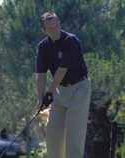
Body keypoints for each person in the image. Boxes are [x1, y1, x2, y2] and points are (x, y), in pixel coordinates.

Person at [36, 11, 91, 158]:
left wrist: (49, 93)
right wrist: (40, 98)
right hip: (59, 91)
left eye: (56, 26)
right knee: (53, 134)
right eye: (50, 28)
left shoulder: (71, 41)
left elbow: (62, 70)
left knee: (73, 140)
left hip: (78, 90)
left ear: (60, 24)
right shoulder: (43, 47)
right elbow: (41, 74)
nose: (55, 30)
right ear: (44, 30)